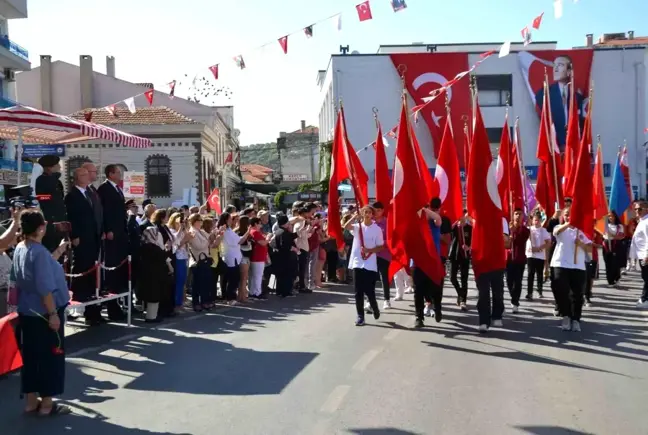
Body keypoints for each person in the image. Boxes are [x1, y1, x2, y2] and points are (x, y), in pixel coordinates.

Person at [14, 209, 71, 416]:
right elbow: (45, 287)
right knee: (50, 357)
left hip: (27, 311)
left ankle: (30, 401)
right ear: (40, 228)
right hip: (44, 312)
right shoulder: (37, 252)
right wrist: (53, 313)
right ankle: (47, 404)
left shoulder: (22, 247)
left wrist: (58, 251)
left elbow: (40, 269)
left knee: (30, 357)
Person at [65, 167, 103, 326]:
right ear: (76, 178)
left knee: (92, 269)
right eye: (83, 175)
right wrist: (73, 236)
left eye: (88, 174)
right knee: (81, 266)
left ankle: (92, 306)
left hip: (93, 237)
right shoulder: (71, 196)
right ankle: (79, 296)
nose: (87, 177)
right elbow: (70, 217)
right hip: (81, 238)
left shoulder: (90, 193)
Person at [550, 207, 592, 331]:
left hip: (577, 266)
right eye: (567, 215)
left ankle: (576, 319)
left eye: (572, 215)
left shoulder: (580, 232)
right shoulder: (559, 228)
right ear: (564, 216)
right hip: (560, 264)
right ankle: (566, 316)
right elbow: (555, 233)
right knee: (561, 290)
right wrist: (569, 223)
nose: (569, 217)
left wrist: (581, 244)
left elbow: (589, 248)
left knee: (577, 295)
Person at [97, 164, 128, 321]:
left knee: (119, 270)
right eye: (117, 172)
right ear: (110, 174)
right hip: (112, 234)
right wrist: (108, 229)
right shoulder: (104, 189)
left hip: (120, 234)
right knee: (112, 270)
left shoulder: (117, 188)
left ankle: (118, 304)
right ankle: (111, 307)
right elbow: (105, 211)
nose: (120, 174)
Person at [344, 206, 384, 326]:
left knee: (369, 290)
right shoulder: (358, 227)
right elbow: (346, 226)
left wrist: (369, 249)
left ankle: (374, 306)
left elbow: (381, 246)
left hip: (370, 262)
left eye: (369, 212)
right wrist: (354, 217)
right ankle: (360, 315)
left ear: (372, 215)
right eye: (364, 212)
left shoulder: (377, 229)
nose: (367, 214)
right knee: (358, 291)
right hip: (357, 261)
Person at [138, 210, 174, 322]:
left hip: (150, 274)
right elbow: (162, 256)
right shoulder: (153, 248)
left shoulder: (145, 247)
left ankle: (152, 315)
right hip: (154, 275)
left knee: (153, 296)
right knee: (153, 296)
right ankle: (151, 317)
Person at [412, 206, 444, 328]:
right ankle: (419, 317)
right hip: (418, 263)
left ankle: (437, 309)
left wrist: (425, 209)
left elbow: (438, 217)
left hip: (433, 262)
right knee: (418, 292)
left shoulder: (434, 224)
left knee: (436, 289)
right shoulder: (415, 226)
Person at [34, 155, 67, 253]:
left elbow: (61, 198)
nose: (60, 167)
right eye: (57, 165)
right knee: (52, 249)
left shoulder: (57, 181)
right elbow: (41, 197)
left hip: (61, 219)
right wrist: (52, 198)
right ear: (49, 167)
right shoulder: (41, 180)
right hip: (50, 220)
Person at [187, 213, 218, 311]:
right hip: (198, 260)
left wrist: (214, 235)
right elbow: (198, 246)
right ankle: (196, 303)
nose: (201, 222)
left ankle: (204, 301)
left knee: (205, 283)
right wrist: (208, 241)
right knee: (197, 283)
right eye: (199, 220)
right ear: (194, 221)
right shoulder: (192, 232)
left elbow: (210, 239)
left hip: (206, 258)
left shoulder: (200, 231)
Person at [218, 212, 251, 305]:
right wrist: (248, 232)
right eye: (229, 219)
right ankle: (230, 298)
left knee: (231, 278)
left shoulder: (229, 230)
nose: (230, 221)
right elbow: (239, 241)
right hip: (231, 257)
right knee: (233, 279)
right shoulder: (226, 231)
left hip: (234, 257)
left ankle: (229, 297)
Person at [506, 208, 530, 313]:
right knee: (509, 281)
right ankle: (513, 296)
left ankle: (515, 302)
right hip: (509, 259)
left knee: (518, 282)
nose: (518, 216)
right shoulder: (507, 228)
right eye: (516, 214)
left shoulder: (525, 230)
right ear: (513, 215)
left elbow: (521, 240)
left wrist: (514, 231)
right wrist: (510, 233)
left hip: (520, 259)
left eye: (520, 214)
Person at [168, 212, 191, 313]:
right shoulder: (172, 231)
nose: (181, 222)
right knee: (179, 281)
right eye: (179, 221)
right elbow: (175, 245)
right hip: (178, 258)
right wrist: (183, 236)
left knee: (182, 281)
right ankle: (177, 304)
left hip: (184, 257)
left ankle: (180, 302)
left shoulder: (181, 230)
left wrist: (185, 227)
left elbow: (188, 237)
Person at [449, 210, 472, 311]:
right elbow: (448, 231)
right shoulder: (455, 227)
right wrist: (456, 222)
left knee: (464, 279)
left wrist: (469, 247)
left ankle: (463, 301)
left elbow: (474, 241)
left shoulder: (469, 228)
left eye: (465, 215)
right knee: (452, 278)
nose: (463, 217)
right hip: (454, 254)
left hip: (464, 256)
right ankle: (460, 293)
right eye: (461, 215)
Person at [526, 212, 551, 301]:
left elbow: (548, 242)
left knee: (539, 274)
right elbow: (524, 237)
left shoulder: (543, 230)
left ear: (541, 221)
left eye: (538, 220)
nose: (537, 222)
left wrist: (540, 247)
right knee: (530, 274)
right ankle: (529, 292)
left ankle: (539, 290)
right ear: (532, 221)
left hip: (540, 256)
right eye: (535, 220)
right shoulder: (529, 229)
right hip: (530, 255)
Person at [272, 215, 299, 298]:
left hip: (279, 256)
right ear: (284, 223)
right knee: (287, 275)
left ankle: (279, 291)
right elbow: (285, 244)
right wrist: (293, 248)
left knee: (280, 275)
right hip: (286, 256)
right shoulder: (284, 232)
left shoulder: (278, 231)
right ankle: (286, 292)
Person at [372, 202, 393, 310]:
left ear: (382, 210)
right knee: (370, 278)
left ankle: (386, 299)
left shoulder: (387, 223)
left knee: (384, 277)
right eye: (375, 210)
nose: (376, 212)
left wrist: (380, 242)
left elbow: (390, 239)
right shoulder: (371, 223)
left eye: (379, 210)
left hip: (384, 254)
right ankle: (369, 300)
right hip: (371, 254)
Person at [630, 200, 648, 308]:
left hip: (645, 256)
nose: (637, 211)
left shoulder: (646, 222)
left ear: (646, 209)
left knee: (647, 278)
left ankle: (644, 299)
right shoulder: (641, 221)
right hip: (641, 256)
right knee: (645, 277)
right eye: (635, 209)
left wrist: (647, 255)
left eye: (640, 209)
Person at [249, 217, 271, 299]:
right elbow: (263, 243)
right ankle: (257, 293)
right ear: (255, 224)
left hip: (258, 257)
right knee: (258, 276)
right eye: (259, 223)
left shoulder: (256, 232)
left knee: (255, 276)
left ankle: (253, 292)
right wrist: (268, 238)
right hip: (258, 257)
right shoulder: (255, 232)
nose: (261, 225)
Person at [602, 211, 624, 286]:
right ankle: (610, 280)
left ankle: (616, 278)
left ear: (615, 217)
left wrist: (612, 235)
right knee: (608, 263)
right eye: (609, 216)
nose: (610, 218)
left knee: (615, 263)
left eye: (612, 216)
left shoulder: (619, 226)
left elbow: (621, 236)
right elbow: (602, 234)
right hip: (606, 245)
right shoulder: (605, 225)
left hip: (616, 245)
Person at [585, 223, 604, 306]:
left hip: (592, 256)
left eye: (593, 221)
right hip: (581, 257)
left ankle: (587, 295)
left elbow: (600, 244)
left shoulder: (597, 231)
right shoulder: (580, 230)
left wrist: (593, 243)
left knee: (590, 277)